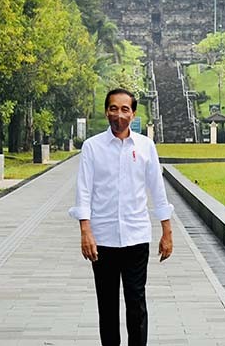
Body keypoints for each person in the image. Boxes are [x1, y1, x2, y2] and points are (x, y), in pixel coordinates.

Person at [69, 88, 174, 346]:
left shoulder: (146, 146)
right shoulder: (92, 147)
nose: (119, 114)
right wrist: (85, 231)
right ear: (107, 111)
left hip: (136, 237)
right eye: (113, 108)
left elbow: (157, 190)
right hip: (102, 239)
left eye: (125, 109)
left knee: (136, 304)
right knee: (107, 307)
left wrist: (167, 231)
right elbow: (83, 191)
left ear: (133, 113)